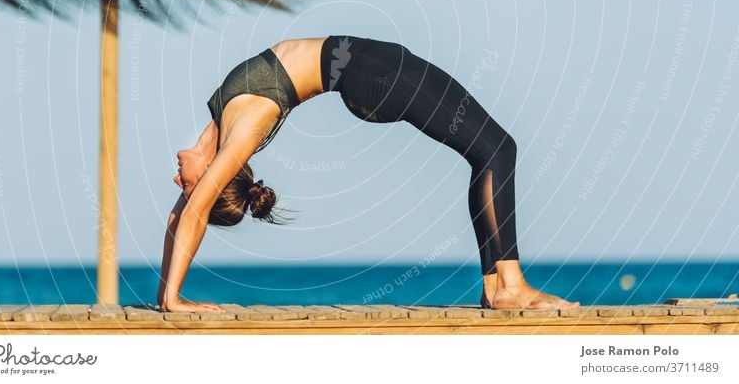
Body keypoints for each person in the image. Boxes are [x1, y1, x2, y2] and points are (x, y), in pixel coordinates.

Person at [158, 36, 579, 312]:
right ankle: (509, 285)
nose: (179, 183)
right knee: (497, 148)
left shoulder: (217, 127)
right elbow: (194, 214)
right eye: (190, 188)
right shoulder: (242, 130)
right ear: (214, 178)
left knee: (488, 150)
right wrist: (178, 299)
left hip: (370, 67)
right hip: (373, 74)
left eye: (184, 187)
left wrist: (164, 295)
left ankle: (495, 288)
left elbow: (182, 217)